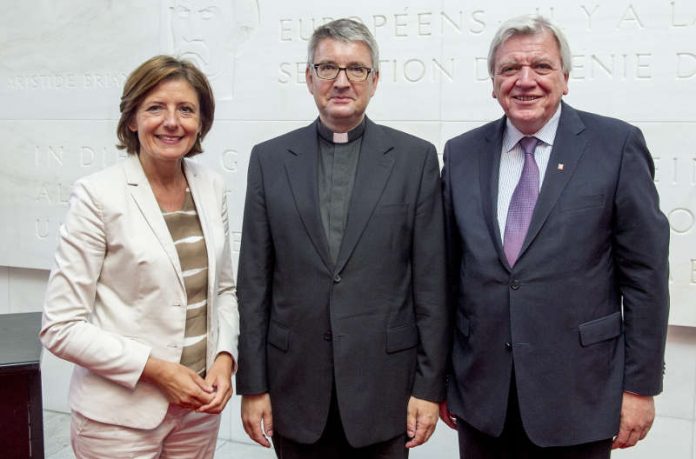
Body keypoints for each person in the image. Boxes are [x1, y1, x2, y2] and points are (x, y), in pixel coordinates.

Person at [439, 14, 670, 458]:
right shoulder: (462, 154)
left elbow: (645, 276)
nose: (525, 81)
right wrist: (442, 379)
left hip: (582, 396)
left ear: (565, 78)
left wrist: (640, 388)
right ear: (493, 83)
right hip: (483, 397)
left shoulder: (615, 146)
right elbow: (447, 274)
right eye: (509, 69)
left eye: (541, 67)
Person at [236, 18, 449, 459]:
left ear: (375, 80)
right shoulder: (270, 160)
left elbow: (431, 284)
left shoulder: (416, 159)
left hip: (385, 391)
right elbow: (254, 283)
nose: (341, 81)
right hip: (294, 388)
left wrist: (429, 388)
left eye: (356, 69)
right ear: (309, 76)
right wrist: (253, 385)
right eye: (328, 67)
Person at [40, 55, 239, 458]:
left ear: (201, 122)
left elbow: (224, 290)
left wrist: (224, 359)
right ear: (132, 119)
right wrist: (160, 371)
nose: (172, 122)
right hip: (118, 420)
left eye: (186, 109)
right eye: (155, 108)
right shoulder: (98, 195)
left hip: (199, 410)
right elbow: (60, 327)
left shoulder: (212, 186)